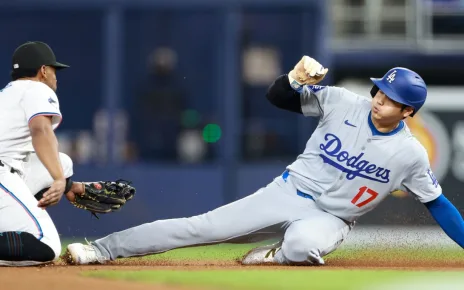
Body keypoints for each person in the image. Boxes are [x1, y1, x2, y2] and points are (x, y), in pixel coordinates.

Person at [65, 56, 464, 266]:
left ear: (409, 112)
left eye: (392, 99)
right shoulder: (343, 100)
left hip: (332, 220)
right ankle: (101, 249)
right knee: (199, 228)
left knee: (305, 246)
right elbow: (278, 98)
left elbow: (438, 204)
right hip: (287, 192)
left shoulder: (411, 153)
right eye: (380, 90)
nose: (380, 99)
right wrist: (294, 79)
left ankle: (275, 255)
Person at [0, 41, 134, 267]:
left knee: (63, 163)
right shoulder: (37, 88)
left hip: (8, 172)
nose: (55, 77)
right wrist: (60, 180)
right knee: (47, 246)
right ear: (43, 70)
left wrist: (69, 185)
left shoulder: (8, 94)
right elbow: (40, 130)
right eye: (53, 70)